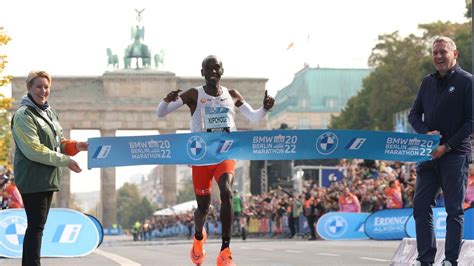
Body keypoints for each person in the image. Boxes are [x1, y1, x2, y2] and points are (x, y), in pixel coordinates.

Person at [156, 55, 275, 266]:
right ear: (202, 72)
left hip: (225, 153)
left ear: (222, 70)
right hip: (201, 156)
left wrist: (265, 108)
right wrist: (166, 100)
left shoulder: (232, 95)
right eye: (208, 68)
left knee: (227, 191)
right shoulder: (194, 94)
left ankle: (225, 250)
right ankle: (198, 238)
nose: (213, 71)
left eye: (216, 67)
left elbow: (255, 117)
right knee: (203, 207)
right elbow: (161, 114)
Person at [11, 70, 88, 266]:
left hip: (47, 177)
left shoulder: (49, 112)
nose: (43, 91)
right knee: (36, 226)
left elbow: (58, 143)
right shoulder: (23, 115)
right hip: (32, 177)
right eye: (38, 86)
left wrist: (76, 146)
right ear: (29, 88)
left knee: (38, 226)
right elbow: (33, 149)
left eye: (46, 87)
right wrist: (66, 161)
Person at [408, 37, 472, 266]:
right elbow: (413, 114)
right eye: (435, 52)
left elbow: (470, 122)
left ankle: (450, 260)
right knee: (420, 206)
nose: (438, 56)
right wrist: (426, 133)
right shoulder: (427, 82)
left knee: (454, 210)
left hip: (454, 155)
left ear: (455, 54)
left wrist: (447, 146)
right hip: (428, 155)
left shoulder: (467, 82)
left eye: (443, 52)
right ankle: (425, 258)